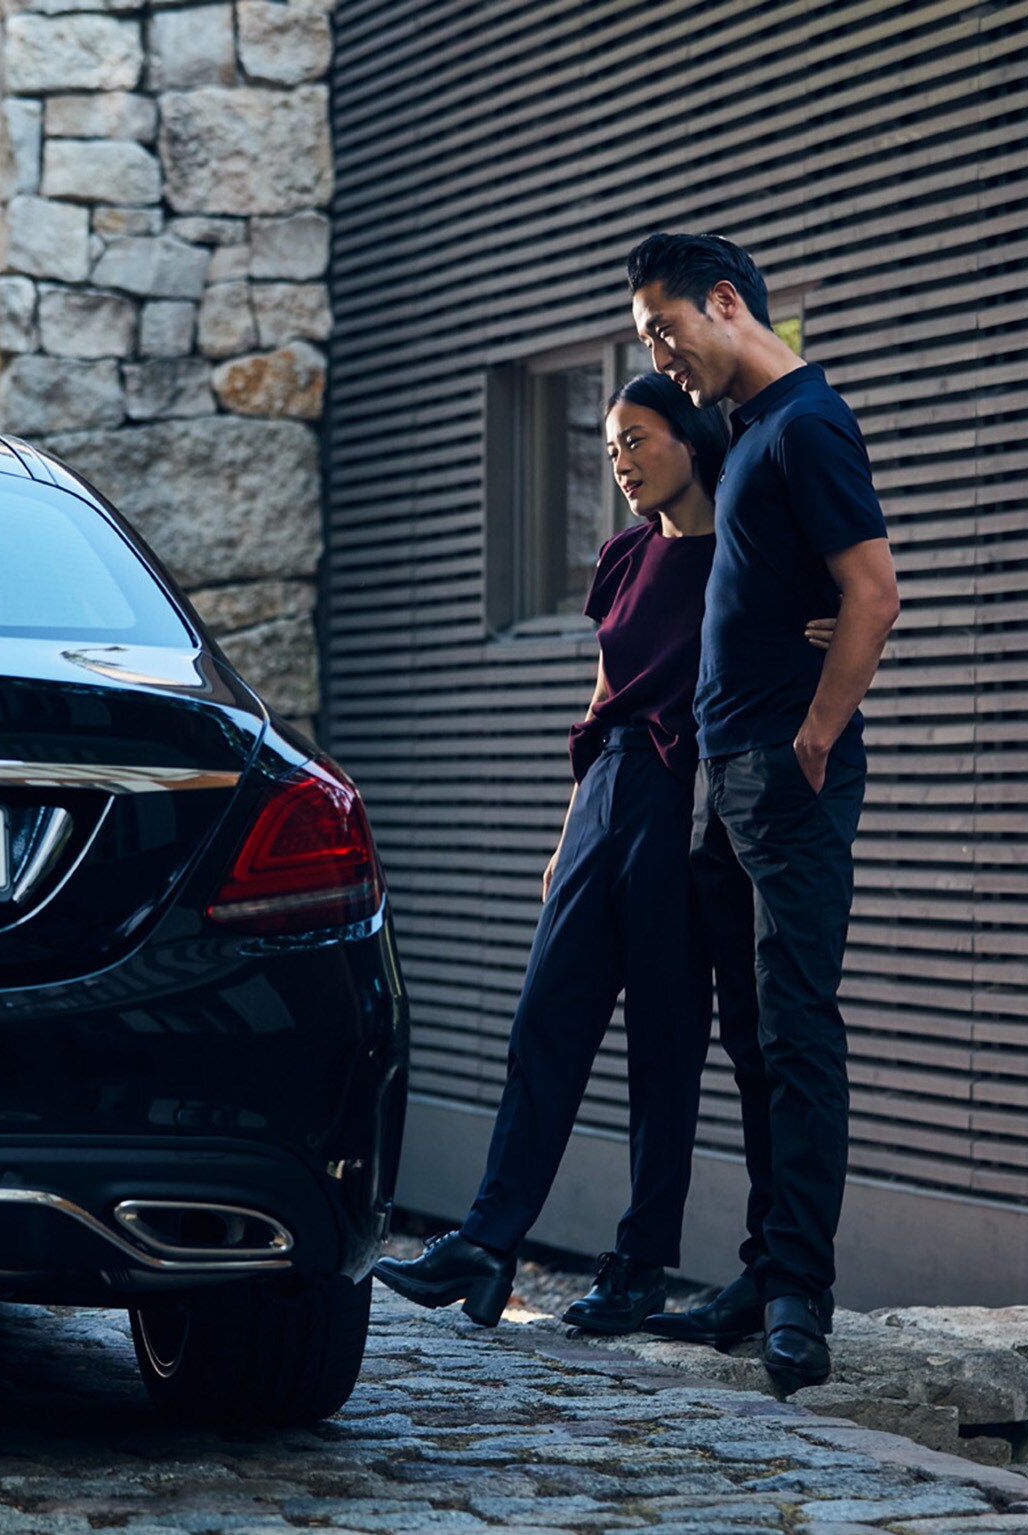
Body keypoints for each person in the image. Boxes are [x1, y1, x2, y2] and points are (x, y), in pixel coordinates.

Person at [372, 373, 831, 1331]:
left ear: (690, 438)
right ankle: (490, 1242)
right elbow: (597, 704)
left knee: (668, 1047)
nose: (620, 459)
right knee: (547, 1013)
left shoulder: (745, 558)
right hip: (606, 795)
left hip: (683, 804)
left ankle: (637, 1268)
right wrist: (565, 831)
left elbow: (831, 616)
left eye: (637, 439)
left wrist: (818, 630)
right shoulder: (622, 557)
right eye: (610, 444)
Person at [622, 233, 899, 1392]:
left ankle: (800, 1294)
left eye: (661, 330)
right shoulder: (743, 437)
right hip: (725, 770)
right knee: (746, 1033)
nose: (658, 355)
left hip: (787, 772)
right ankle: (754, 1272)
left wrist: (821, 729)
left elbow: (875, 586)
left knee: (795, 1029)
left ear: (723, 301)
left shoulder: (811, 425)